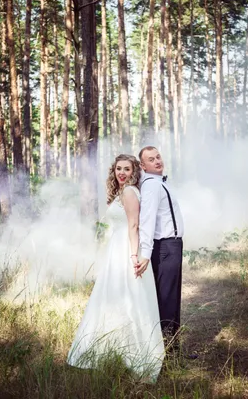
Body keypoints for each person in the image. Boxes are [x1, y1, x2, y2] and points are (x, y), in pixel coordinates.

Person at [67, 154, 165, 381]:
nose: (122, 173)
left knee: (131, 297)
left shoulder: (130, 192)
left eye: (127, 169)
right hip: (117, 249)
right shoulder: (122, 192)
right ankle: (114, 350)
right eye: (118, 168)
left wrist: (133, 255)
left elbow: (134, 225)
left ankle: (138, 354)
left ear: (134, 172)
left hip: (127, 250)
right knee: (115, 297)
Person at [136, 146, 184, 351]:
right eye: (150, 159)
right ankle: (168, 353)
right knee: (166, 300)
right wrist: (145, 254)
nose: (157, 161)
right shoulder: (151, 186)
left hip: (172, 246)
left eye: (158, 157)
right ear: (142, 165)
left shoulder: (159, 183)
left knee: (172, 299)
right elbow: (146, 221)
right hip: (165, 247)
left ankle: (174, 349)